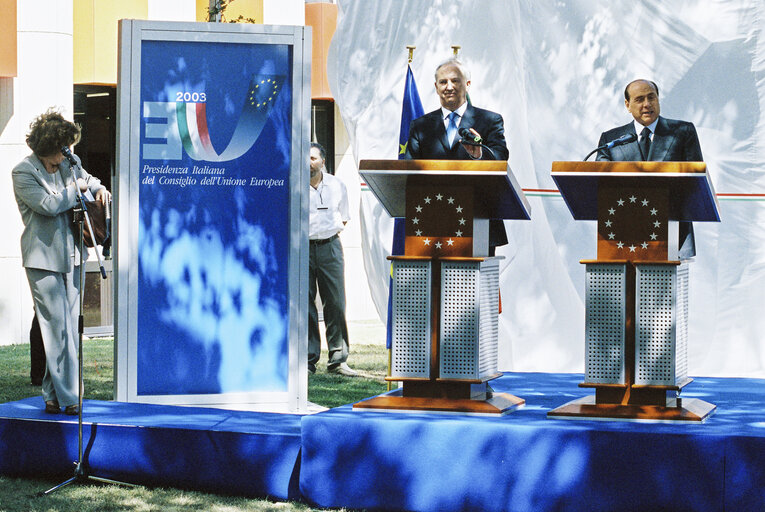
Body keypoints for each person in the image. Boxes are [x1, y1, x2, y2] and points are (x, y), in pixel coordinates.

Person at [12, 109, 110, 414]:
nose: (66, 155)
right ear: (45, 146)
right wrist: (75, 190)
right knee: (55, 329)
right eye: (62, 148)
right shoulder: (23, 172)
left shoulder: (70, 162)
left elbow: (88, 179)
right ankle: (71, 398)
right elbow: (48, 205)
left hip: (73, 255)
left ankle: (52, 396)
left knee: (69, 329)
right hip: (42, 259)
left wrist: (99, 189)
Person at [405, 58, 509, 253]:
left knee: (477, 284)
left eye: (455, 81)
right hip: (432, 222)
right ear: (436, 87)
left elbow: (501, 158)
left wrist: (479, 156)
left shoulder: (489, 120)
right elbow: (409, 170)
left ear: (467, 85)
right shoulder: (420, 126)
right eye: (443, 82)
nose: (449, 87)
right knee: (434, 284)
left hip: (477, 221)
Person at [596, 79, 703, 258]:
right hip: (623, 234)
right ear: (627, 105)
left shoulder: (682, 132)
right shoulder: (611, 139)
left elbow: (695, 179)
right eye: (639, 99)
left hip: (672, 235)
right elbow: (598, 182)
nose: (647, 104)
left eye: (651, 97)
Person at [307, 142, 357, 377]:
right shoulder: (294, 185)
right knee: (305, 304)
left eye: (314, 158)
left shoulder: (337, 185)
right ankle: (307, 360)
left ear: (323, 161)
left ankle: (338, 359)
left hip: (330, 247)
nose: (309, 163)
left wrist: (326, 235)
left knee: (335, 303)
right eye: (305, 158)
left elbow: (343, 218)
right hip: (302, 249)